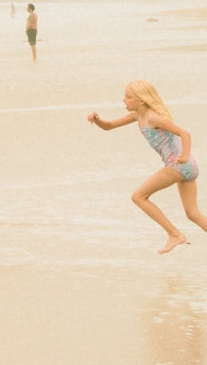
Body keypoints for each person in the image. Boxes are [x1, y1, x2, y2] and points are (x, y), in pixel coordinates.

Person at [86, 80, 206, 253]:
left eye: (128, 97)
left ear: (141, 100)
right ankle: (175, 234)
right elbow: (109, 126)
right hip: (187, 167)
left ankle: (175, 235)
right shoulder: (138, 116)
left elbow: (184, 134)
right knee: (193, 214)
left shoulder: (153, 117)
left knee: (138, 196)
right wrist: (97, 120)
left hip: (178, 165)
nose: (123, 100)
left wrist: (184, 155)